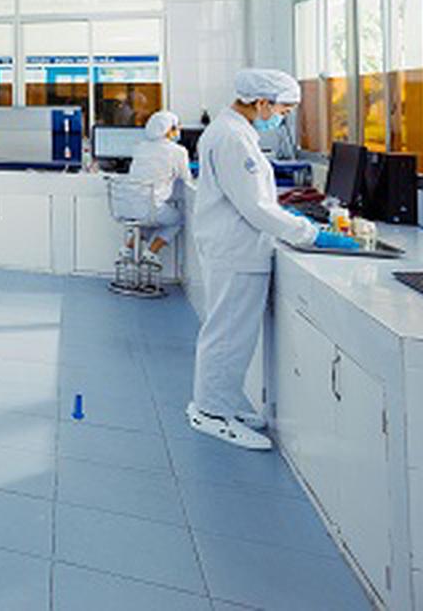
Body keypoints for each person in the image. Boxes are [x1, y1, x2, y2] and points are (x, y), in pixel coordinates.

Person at [189, 69, 357, 450]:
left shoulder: (233, 132)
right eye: (283, 109)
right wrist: (310, 233)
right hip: (235, 250)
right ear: (261, 102)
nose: (282, 117)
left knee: (231, 335)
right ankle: (211, 412)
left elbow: (255, 200)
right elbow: (256, 208)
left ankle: (220, 403)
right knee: (228, 335)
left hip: (235, 247)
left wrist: (287, 217)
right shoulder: (233, 138)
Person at [128, 110, 192, 259]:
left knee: (146, 221)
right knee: (177, 220)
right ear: (169, 130)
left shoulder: (140, 147)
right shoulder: (177, 151)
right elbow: (186, 178)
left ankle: (128, 249)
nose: (178, 131)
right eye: (177, 128)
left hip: (130, 206)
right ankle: (151, 252)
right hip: (152, 207)